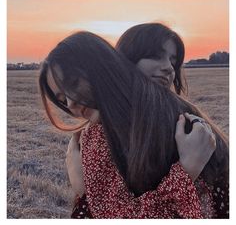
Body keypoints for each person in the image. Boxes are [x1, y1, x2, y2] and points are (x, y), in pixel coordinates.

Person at [39, 31, 229, 218]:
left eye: (73, 83)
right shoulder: (178, 112)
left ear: (103, 65)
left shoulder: (177, 117)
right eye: (62, 99)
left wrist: (84, 195)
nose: (70, 103)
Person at [116, 22, 187, 95]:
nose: (169, 68)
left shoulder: (178, 106)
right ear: (126, 58)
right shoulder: (105, 104)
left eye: (173, 64)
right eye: (155, 56)